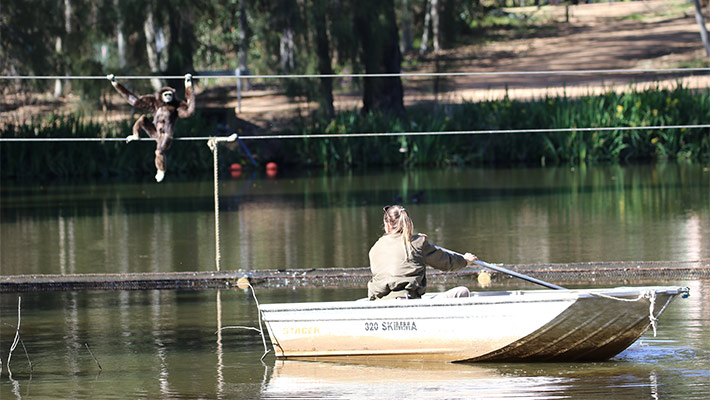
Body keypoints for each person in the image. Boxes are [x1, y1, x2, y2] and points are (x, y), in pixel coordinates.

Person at [368, 205, 478, 300]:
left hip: (379, 302)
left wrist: (417, 239)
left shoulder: (375, 248)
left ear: (387, 226)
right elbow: (445, 262)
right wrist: (465, 261)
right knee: (463, 292)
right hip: (407, 302)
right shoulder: (418, 243)